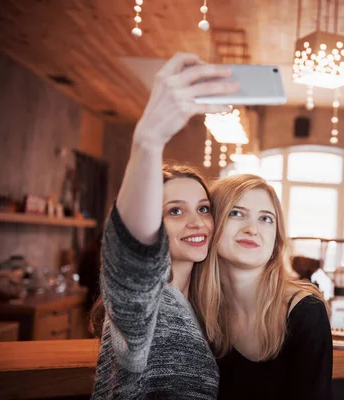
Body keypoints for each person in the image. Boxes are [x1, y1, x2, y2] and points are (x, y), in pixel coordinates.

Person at [90, 52, 240, 399]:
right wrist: (148, 142)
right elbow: (132, 262)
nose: (197, 222)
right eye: (175, 211)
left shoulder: (205, 307)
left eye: (204, 208)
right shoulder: (148, 303)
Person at [192, 174, 333, 400]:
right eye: (236, 213)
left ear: (276, 239)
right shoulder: (194, 308)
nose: (252, 229)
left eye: (265, 218)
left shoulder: (305, 311)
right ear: (211, 224)